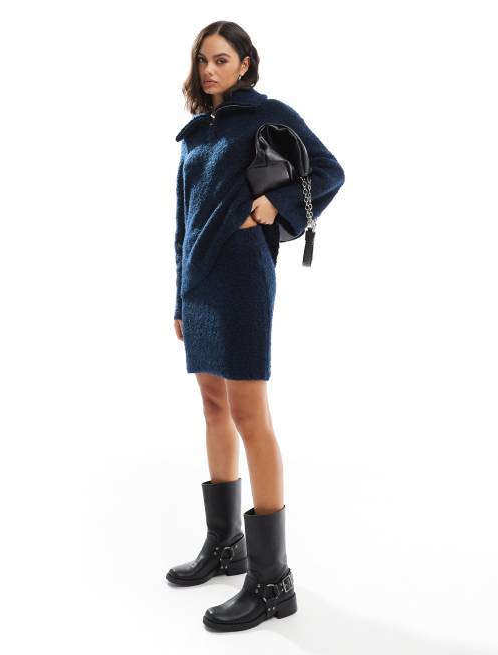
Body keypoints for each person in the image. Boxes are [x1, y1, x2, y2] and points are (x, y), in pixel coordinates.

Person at [167, 21, 345, 632]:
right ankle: (226, 546)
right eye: (202, 59)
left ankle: (272, 582)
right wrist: (180, 298)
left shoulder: (268, 115)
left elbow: (329, 171)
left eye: (221, 59)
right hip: (200, 284)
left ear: (245, 63)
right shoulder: (195, 133)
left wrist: (277, 206)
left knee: (249, 414)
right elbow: (182, 222)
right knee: (213, 407)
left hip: (243, 277)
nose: (209, 69)